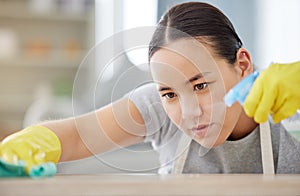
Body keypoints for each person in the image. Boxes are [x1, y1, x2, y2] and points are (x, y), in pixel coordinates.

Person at [0, 2, 299, 175]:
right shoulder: (159, 108)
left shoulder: (289, 111)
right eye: (169, 93)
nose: (188, 112)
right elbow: (78, 135)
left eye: (201, 85)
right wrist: (24, 146)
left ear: (243, 64)